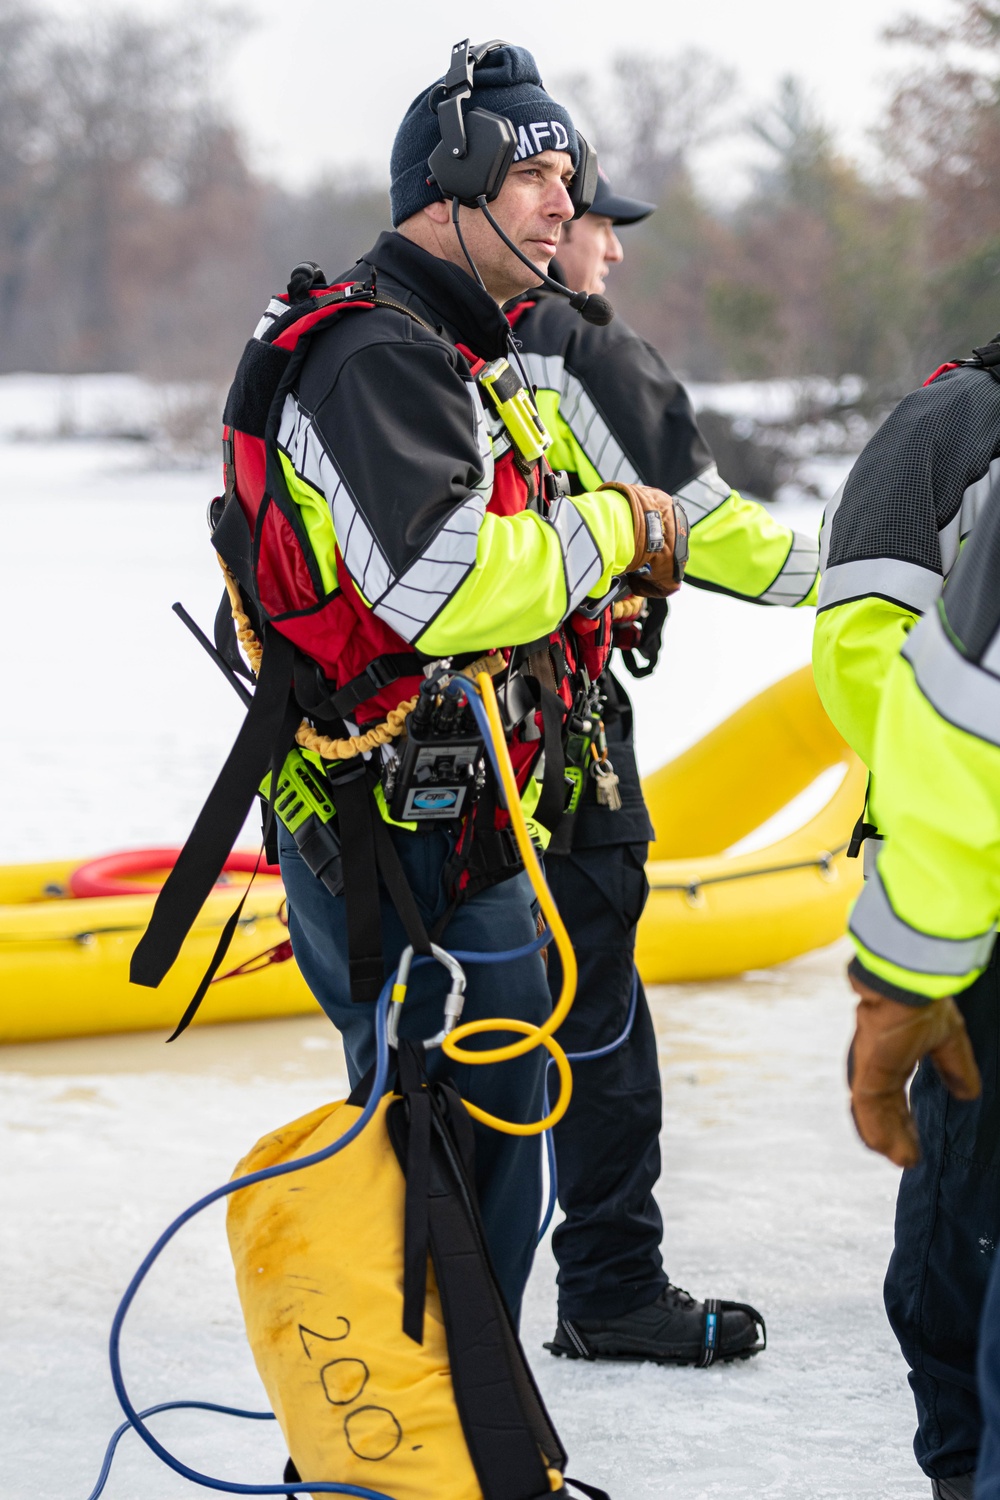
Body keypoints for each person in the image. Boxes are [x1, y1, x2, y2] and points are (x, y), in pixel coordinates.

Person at [244, 43, 681, 1331]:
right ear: (452, 182)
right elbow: (439, 583)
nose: (567, 203)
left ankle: (457, 1420)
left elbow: (502, 548)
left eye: (567, 176)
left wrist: (591, 565)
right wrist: (609, 530)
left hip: (460, 821)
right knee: (443, 1150)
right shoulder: (377, 355)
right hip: (399, 835)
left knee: (481, 1140)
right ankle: (420, 1434)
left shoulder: (455, 348)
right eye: (540, 173)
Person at [506, 166, 819, 1365]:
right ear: (530, 215)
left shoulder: (419, 338)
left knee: (449, 1024)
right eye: (598, 226)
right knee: (600, 1018)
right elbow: (717, 532)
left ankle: (427, 1311)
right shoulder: (567, 338)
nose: (610, 255)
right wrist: (893, 559)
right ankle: (611, 1285)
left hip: (419, 765)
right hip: (552, 750)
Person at [814, 340, 1000, 1499]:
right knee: (966, 1183)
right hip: (975, 890)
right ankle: (959, 1453)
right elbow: (869, 667)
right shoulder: (953, 425)